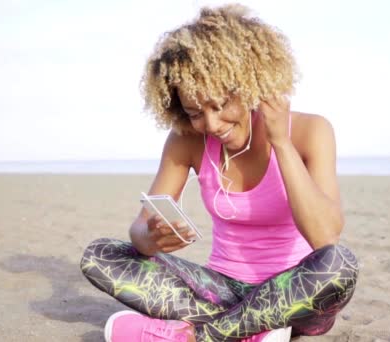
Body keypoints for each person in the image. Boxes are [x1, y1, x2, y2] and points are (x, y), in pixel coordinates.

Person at [81, 4, 358, 341]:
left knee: (339, 265)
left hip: (293, 294)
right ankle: (250, 331)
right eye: (196, 111)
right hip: (220, 289)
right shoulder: (188, 140)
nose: (211, 124)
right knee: (101, 255)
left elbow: (326, 237)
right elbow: (140, 229)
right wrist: (149, 237)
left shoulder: (311, 131)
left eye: (220, 104)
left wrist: (280, 143)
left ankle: (198, 336)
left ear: (250, 84)